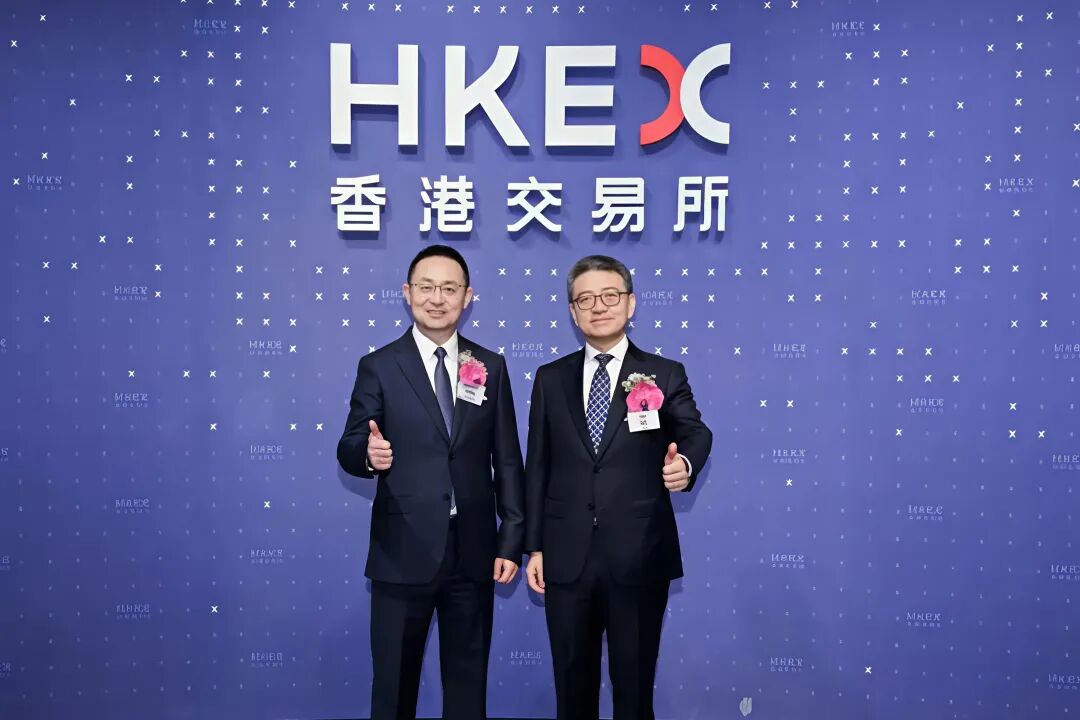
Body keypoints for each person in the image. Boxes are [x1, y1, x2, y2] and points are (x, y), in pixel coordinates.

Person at [337, 244, 525, 720]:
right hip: (402, 551)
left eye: (449, 288)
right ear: (407, 292)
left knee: (467, 688)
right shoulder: (380, 365)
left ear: (467, 297)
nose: (437, 298)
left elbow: (507, 459)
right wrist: (368, 455)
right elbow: (350, 442)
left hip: (473, 553)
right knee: (394, 689)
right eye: (426, 287)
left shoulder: (490, 365)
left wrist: (510, 540)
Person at [524, 254, 713, 720]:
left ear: (630, 304)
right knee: (572, 690)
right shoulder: (550, 378)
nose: (598, 306)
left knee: (633, 690)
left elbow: (695, 432)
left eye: (610, 296)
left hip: (639, 554)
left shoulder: (664, 372)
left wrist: (684, 464)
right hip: (566, 557)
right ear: (573, 312)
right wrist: (535, 547)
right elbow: (538, 466)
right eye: (585, 299)